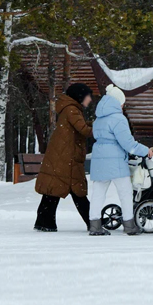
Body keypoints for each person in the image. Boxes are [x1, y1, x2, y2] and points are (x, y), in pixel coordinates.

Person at [88, 84, 153, 236]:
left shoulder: (98, 119)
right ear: (117, 102)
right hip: (115, 160)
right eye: (122, 102)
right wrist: (146, 151)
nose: (123, 105)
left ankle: (95, 225)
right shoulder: (119, 119)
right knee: (125, 192)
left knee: (98, 193)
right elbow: (128, 144)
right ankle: (129, 225)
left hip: (99, 160)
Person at [33, 83, 94, 232]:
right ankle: (93, 222)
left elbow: (82, 127)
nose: (90, 100)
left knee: (53, 191)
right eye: (88, 96)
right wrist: (103, 127)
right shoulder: (72, 110)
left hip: (62, 157)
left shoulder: (70, 109)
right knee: (76, 192)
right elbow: (84, 130)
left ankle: (44, 222)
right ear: (80, 97)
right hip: (65, 158)